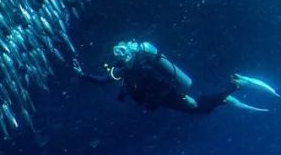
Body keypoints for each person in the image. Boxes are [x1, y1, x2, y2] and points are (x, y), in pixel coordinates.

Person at [74, 40, 278, 114]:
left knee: (199, 108)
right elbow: (103, 80)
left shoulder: (142, 64)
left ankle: (236, 85)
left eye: (122, 50)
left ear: (130, 50)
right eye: (116, 53)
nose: (120, 54)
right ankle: (226, 96)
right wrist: (83, 75)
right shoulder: (122, 70)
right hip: (162, 100)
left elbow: (161, 80)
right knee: (200, 110)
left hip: (170, 95)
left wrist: (181, 96)